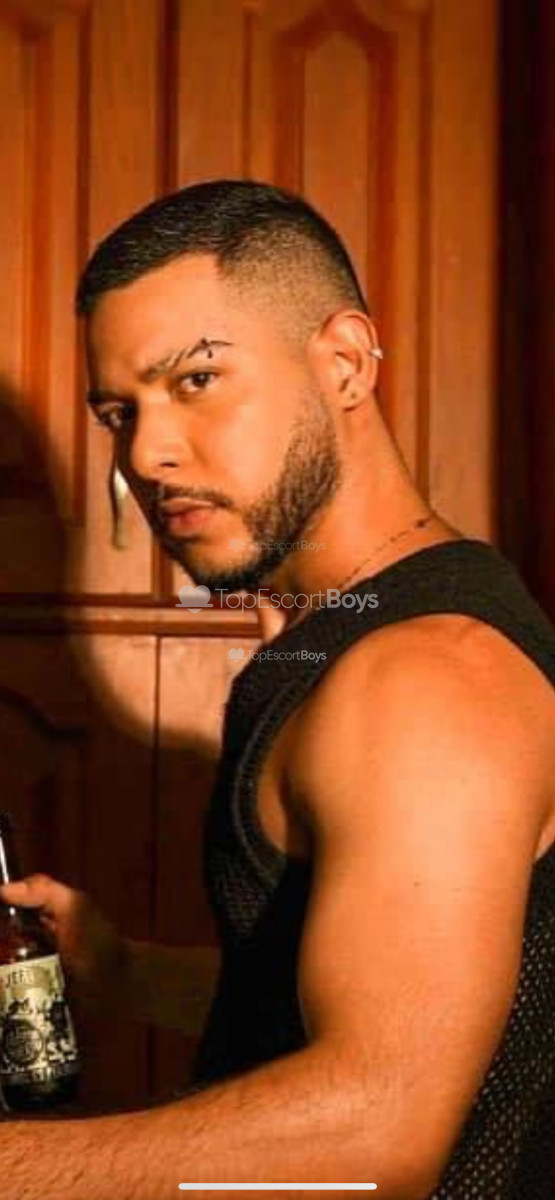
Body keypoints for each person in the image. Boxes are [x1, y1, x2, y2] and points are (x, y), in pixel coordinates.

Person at [1, 180, 555, 1200]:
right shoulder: (341, 634)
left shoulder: (425, 676)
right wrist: (129, 971)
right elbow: (369, 977)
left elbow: (375, 1137)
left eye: (197, 379)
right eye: (119, 412)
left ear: (343, 362)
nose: (147, 454)